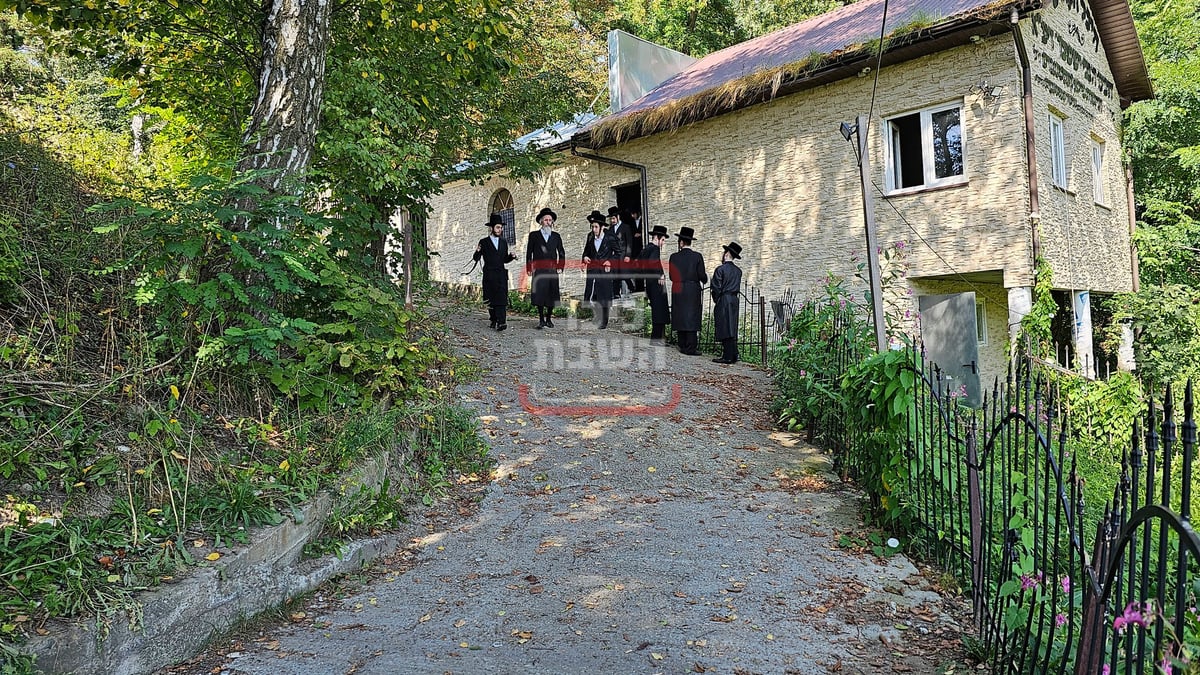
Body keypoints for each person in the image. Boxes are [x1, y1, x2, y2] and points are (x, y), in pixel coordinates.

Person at [474, 213, 516, 331]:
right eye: (498, 227)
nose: (500, 229)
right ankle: (493, 319)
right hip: (489, 274)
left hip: (501, 274)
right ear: (492, 228)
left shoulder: (503, 242)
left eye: (501, 227)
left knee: (501, 299)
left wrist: (511, 257)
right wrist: (477, 251)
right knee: (490, 299)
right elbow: (476, 258)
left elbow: (504, 260)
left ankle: (502, 322)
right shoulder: (484, 242)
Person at [667, 226, 706, 355]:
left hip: (678, 288)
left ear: (681, 242)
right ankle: (691, 347)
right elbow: (702, 275)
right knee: (692, 316)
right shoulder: (697, 256)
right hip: (692, 289)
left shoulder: (674, 257)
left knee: (680, 314)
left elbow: (672, 276)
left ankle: (682, 344)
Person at [526, 207, 566, 329]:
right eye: (546, 220)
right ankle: (541, 319)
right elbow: (529, 252)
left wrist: (560, 266)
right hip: (539, 269)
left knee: (552, 294)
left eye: (550, 220)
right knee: (540, 294)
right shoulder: (534, 235)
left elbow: (561, 252)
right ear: (541, 222)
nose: (548, 222)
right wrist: (529, 267)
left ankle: (549, 318)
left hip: (552, 269)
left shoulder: (556, 236)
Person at [582, 209, 619, 329]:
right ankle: (597, 316)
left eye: (596, 227)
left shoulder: (610, 237)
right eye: (592, 227)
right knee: (592, 295)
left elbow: (618, 253)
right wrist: (585, 258)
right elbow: (586, 251)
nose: (594, 229)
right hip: (593, 269)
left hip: (604, 270)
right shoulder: (590, 236)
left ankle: (604, 320)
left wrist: (610, 261)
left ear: (602, 227)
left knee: (604, 294)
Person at [710, 241, 743, 364]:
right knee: (732, 326)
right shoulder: (738, 271)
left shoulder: (720, 269)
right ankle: (733, 354)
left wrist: (717, 299)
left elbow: (716, 287)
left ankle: (728, 356)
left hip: (724, 299)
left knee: (724, 326)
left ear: (727, 253)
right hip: (735, 299)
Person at [639, 224, 671, 344]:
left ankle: (659, 338)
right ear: (657, 238)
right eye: (662, 240)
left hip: (650, 283)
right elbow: (653, 263)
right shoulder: (654, 248)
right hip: (656, 284)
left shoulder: (646, 249)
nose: (663, 243)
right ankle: (657, 339)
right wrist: (660, 274)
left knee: (658, 310)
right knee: (659, 310)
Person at [606, 206, 632, 299]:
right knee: (615, 274)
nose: (612, 221)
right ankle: (616, 293)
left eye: (613, 218)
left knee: (625, 273)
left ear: (618, 217)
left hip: (623, 253)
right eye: (611, 219)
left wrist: (628, 255)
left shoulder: (625, 227)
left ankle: (631, 287)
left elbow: (629, 242)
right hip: (615, 255)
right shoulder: (610, 230)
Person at [629, 206, 645, 292]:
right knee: (635, 269)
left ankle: (642, 287)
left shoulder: (644, 221)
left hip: (642, 248)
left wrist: (641, 235)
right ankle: (637, 288)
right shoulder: (631, 223)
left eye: (633, 214)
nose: (632, 216)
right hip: (634, 250)